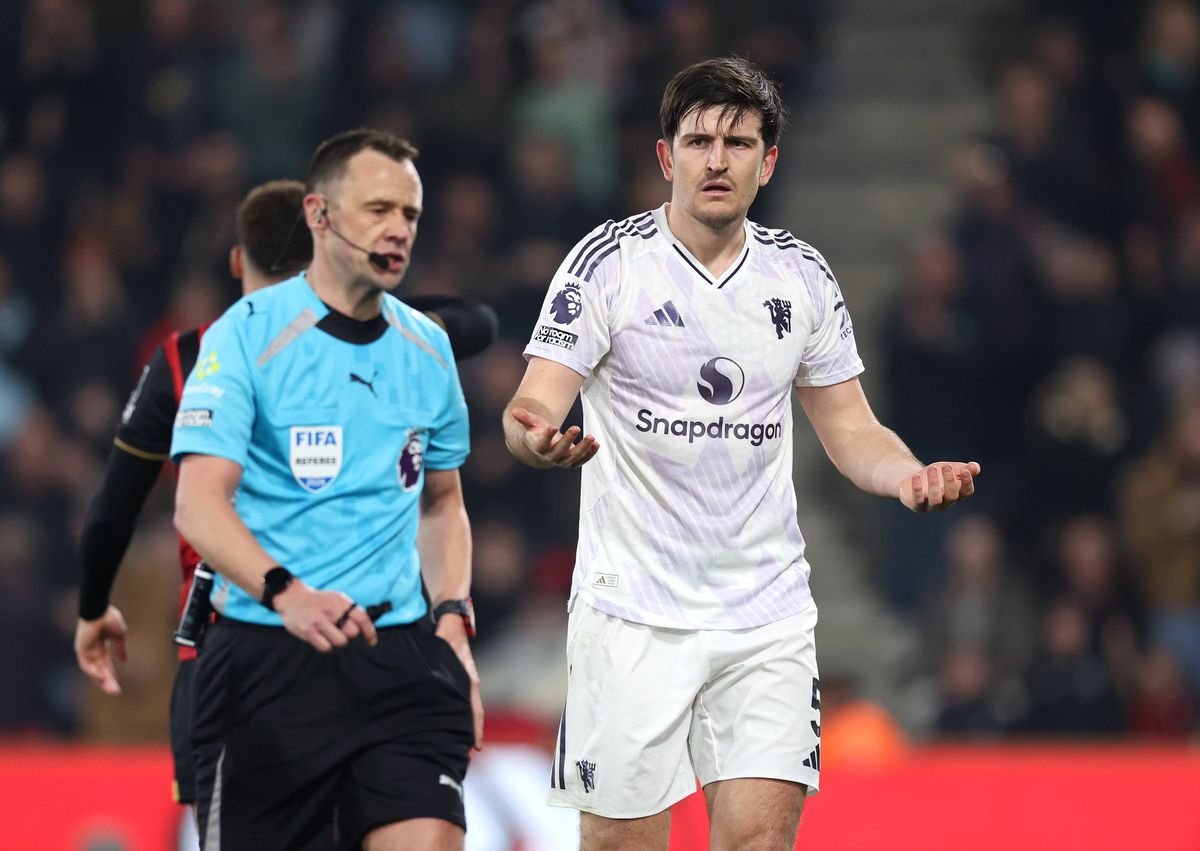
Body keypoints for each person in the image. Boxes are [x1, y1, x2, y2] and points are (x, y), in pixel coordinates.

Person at [502, 57, 981, 850]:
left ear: (769, 162)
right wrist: (538, 440)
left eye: (737, 141)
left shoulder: (801, 278)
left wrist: (906, 475)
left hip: (764, 612)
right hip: (632, 610)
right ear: (666, 158)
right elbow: (534, 402)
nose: (716, 159)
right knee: (620, 841)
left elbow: (851, 429)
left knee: (760, 838)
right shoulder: (607, 264)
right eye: (698, 141)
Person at [74, 178, 497, 834]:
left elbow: (111, 508)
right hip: (369, 642)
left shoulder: (189, 359)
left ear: (239, 261)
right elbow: (480, 321)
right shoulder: (386, 340)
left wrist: (93, 605)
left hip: (233, 658)